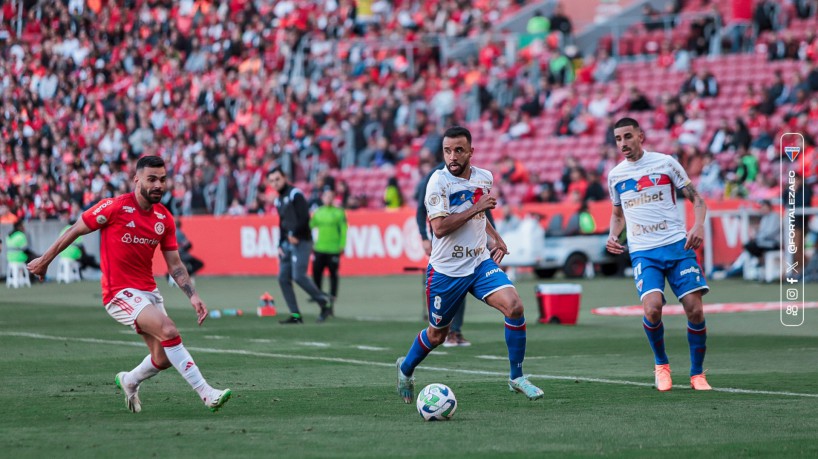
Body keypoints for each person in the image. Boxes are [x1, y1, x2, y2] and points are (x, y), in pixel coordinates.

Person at [27, 156, 231, 413]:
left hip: (148, 291)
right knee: (168, 330)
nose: (159, 185)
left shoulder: (164, 218)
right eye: (152, 179)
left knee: (163, 358)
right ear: (137, 180)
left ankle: (129, 379)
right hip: (118, 293)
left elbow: (175, 264)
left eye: (163, 179)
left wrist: (192, 295)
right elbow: (75, 229)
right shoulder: (114, 207)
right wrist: (45, 261)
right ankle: (206, 393)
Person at [397, 126, 544, 403]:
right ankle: (405, 369)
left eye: (458, 150)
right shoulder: (437, 182)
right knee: (438, 335)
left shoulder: (483, 178)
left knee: (515, 306)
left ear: (470, 152)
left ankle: (517, 377)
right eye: (447, 150)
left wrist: (496, 238)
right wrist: (477, 207)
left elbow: (480, 215)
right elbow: (440, 228)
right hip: (446, 271)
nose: (452, 156)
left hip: (478, 263)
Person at [606, 118, 712, 392]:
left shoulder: (665, 163)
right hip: (644, 252)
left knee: (695, 309)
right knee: (652, 309)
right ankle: (661, 365)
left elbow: (697, 199)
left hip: (677, 246)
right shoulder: (616, 175)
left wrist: (698, 225)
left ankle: (697, 374)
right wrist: (612, 235)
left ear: (641, 136)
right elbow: (618, 214)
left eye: (627, 136)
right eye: (618, 139)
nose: (623, 144)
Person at [267, 167, 333, 324]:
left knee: (298, 276)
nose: (275, 183)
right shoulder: (278, 200)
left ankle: (324, 301)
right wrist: (279, 244)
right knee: (283, 278)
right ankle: (296, 315)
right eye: (272, 181)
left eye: (278, 179)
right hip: (287, 243)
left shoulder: (295, 194)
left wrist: (295, 235)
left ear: (285, 178)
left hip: (302, 240)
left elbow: (304, 218)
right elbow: (282, 223)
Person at [310, 187, 347, 300]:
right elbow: (310, 227)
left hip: (333, 248)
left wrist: (342, 244)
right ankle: (317, 293)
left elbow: (344, 230)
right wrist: (310, 243)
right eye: (326, 196)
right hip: (319, 247)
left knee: (333, 273)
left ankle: (333, 294)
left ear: (334, 198)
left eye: (331, 196)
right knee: (316, 272)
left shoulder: (339, 213)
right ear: (322, 198)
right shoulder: (318, 212)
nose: (328, 199)